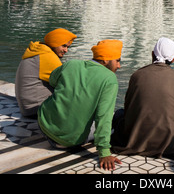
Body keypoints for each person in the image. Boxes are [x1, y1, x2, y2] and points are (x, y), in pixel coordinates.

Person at [111, 37, 174, 157]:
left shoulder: (137, 75)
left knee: (119, 114)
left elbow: (130, 108)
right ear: (173, 59)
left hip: (136, 138)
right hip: (169, 142)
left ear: (152, 54)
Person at [38, 39, 123, 171]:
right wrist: (104, 152)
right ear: (106, 60)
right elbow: (103, 117)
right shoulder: (109, 79)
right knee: (115, 120)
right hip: (67, 142)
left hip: (43, 125)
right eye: (118, 60)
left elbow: (53, 80)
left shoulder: (71, 64)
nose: (119, 66)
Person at [15, 28, 77, 117]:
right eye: (63, 46)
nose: (66, 50)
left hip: (27, 106)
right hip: (35, 109)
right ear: (54, 43)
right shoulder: (48, 57)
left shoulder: (39, 50)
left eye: (68, 47)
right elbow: (68, 84)